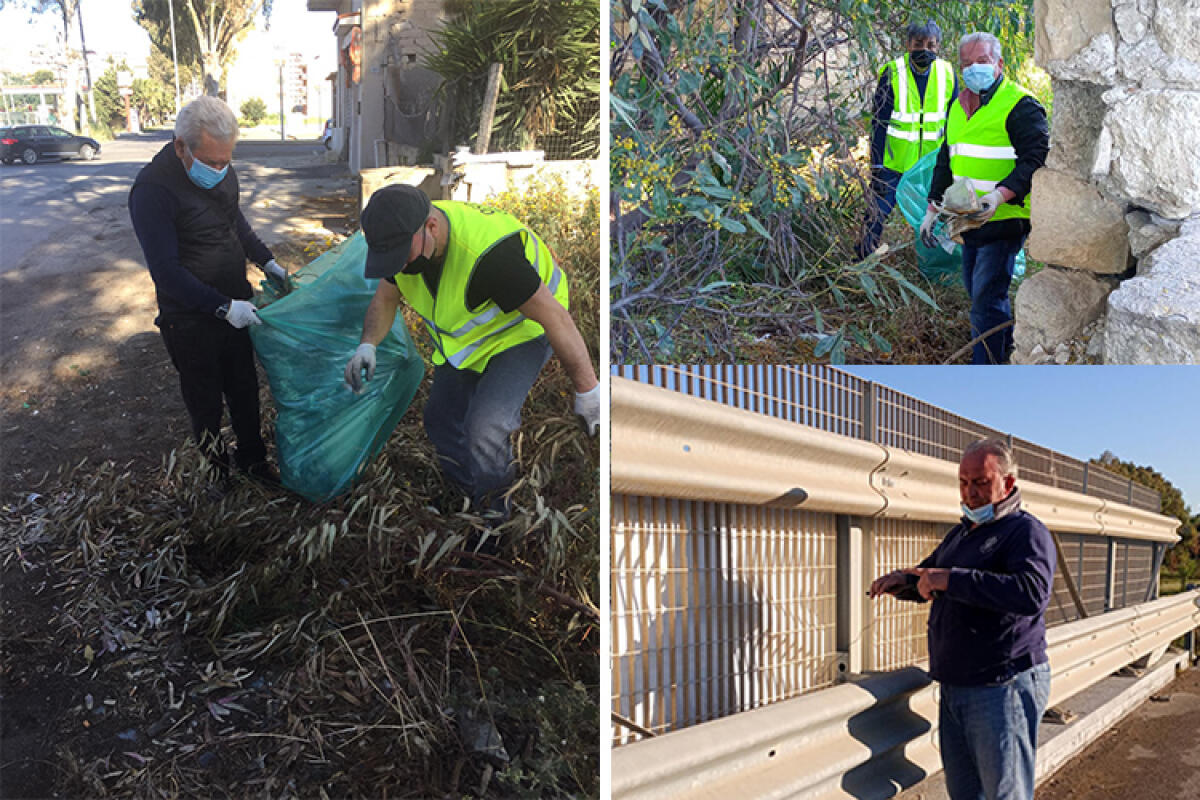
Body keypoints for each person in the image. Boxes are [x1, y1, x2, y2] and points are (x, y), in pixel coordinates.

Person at [344, 184, 600, 516]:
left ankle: (497, 516)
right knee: (439, 419)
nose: (398, 266)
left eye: (401, 256)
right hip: (470, 341)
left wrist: (588, 389)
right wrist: (368, 345)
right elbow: (385, 298)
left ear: (431, 227)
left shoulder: (490, 258)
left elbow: (555, 319)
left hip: (521, 331)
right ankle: (468, 493)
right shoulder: (405, 235)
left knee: (486, 426)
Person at [868, 439, 1056, 800]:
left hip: (1002, 685)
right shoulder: (962, 533)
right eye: (964, 482)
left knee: (1005, 793)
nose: (971, 493)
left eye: (982, 483)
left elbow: (1031, 593)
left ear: (1008, 483)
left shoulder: (1024, 532)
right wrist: (903, 582)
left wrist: (950, 579)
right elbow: (933, 577)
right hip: (957, 686)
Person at [129, 96, 288, 483]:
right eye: (213, 162)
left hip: (236, 303)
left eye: (227, 161)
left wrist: (267, 261)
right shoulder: (153, 191)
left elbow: (234, 218)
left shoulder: (220, 170)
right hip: (190, 320)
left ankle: (253, 462)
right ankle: (217, 476)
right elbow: (166, 272)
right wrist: (221, 307)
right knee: (205, 404)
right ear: (182, 147)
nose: (221, 169)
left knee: (245, 391)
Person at [920, 32, 1050, 364]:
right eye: (967, 63)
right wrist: (932, 208)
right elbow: (946, 160)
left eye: (983, 61)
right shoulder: (956, 105)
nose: (974, 69)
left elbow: (1035, 159)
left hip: (1005, 217)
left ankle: (986, 365)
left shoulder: (1021, 105)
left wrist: (999, 195)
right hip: (968, 217)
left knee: (986, 298)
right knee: (977, 291)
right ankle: (1002, 349)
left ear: (1000, 63)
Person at [855, 21, 957, 260]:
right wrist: (876, 164)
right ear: (907, 45)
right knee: (878, 211)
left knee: (933, 214)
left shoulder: (947, 73)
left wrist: (953, 159)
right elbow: (879, 122)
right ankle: (862, 257)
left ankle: (933, 261)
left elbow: (954, 119)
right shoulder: (893, 72)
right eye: (918, 44)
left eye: (931, 45)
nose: (925, 49)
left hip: (929, 163)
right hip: (894, 161)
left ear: (938, 46)